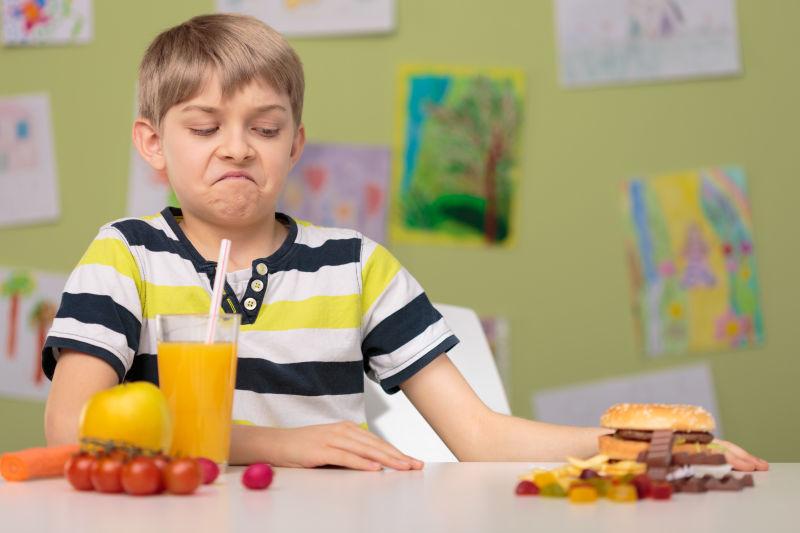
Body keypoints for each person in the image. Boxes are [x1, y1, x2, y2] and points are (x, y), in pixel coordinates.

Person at [43, 13, 768, 473]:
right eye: (205, 127)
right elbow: (72, 426)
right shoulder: (125, 257)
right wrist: (280, 444)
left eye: (264, 128)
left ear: (295, 144)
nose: (237, 148)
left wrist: (639, 449)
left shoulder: (355, 266)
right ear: (153, 143)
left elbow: (480, 436)